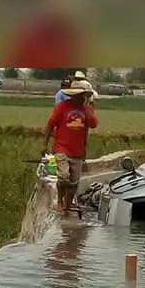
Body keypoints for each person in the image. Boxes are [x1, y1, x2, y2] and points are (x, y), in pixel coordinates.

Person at [44, 80, 98, 216]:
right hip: (61, 148)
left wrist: (88, 108)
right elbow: (50, 125)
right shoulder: (62, 107)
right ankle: (60, 202)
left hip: (77, 152)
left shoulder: (86, 110)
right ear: (73, 95)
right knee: (63, 176)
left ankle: (66, 208)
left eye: (83, 95)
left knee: (74, 183)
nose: (81, 98)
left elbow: (93, 124)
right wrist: (43, 145)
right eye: (79, 95)